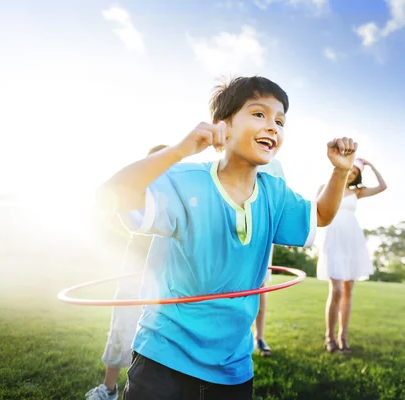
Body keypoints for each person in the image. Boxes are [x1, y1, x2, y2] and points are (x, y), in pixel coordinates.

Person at [96, 76, 359, 400]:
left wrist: (339, 171)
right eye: (259, 114)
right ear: (224, 127)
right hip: (164, 357)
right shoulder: (186, 181)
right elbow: (113, 194)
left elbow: (321, 215)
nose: (273, 127)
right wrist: (179, 151)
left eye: (280, 121)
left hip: (232, 366)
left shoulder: (274, 193)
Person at [86, 144, 168, 400]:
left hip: (164, 282)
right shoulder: (139, 195)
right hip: (133, 276)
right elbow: (113, 200)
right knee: (122, 329)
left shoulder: (176, 199)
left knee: (158, 339)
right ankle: (109, 389)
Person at [316, 158, 387, 354]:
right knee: (336, 290)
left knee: (348, 291)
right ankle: (329, 337)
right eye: (350, 170)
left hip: (352, 242)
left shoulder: (358, 192)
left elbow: (383, 186)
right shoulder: (325, 187)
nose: (351, 174)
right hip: (333, 240)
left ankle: (343, 337)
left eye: (355, 173)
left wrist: (371, 165)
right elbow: (315, 212)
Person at [254, 159, 286, 357]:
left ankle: (259, 337)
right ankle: (232, 339)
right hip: (233, 224)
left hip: (263, 229)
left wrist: (284, 229)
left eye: (279, 124)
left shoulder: (273, 164)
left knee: (260, 287)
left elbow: (281, 199)